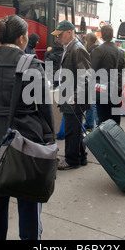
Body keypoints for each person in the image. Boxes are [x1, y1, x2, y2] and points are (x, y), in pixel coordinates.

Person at [0, 15, 53, 240]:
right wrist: (49, 138)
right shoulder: (32, 63)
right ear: (22, 38)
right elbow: (44, 107)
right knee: (29, 196)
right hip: (28, 135)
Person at [52, 20, 91, 170]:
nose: (58, 38)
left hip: (73, 96)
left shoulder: (77, 48)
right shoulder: (71, 47)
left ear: (69, 32)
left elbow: (85, 75)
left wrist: (75, 95)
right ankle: (80, 157)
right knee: (74, 129)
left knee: (71, 130)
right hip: (70, 94)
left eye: (60, 35)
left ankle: (72, 160)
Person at [90, 24, 125, 125]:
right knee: (115, 121)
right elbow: (122, 71)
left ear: (101, 35)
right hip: (116, 90)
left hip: (102, 90)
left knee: (103, 120)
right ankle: (115, 139)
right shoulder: (120, 52)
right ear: (112, 35)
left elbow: (92, 70)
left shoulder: (97, 51)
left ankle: (104, 140)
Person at [83, 32, 100, 130]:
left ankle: (93, 125)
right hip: (97, 79)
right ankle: (90, 123)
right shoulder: (98, 49)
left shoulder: (90, 51)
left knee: (92, 104)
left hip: (92, 79)